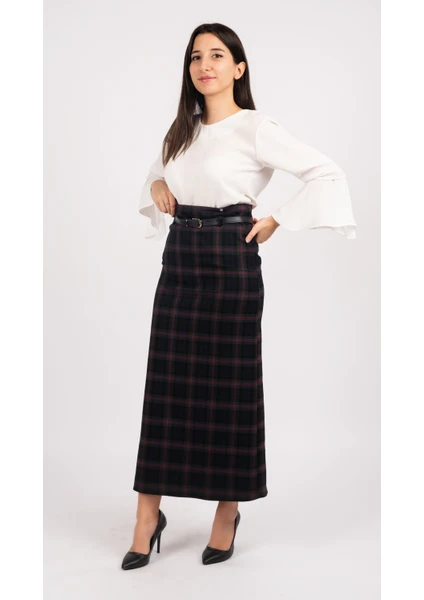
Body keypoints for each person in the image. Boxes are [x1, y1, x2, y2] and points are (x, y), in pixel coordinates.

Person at [122, 22, 357, 570]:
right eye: (195, 57)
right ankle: (147, 517)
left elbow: (326, 174)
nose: (205, 66)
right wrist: (156, 185)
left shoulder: (256, 127)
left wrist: (277, 218)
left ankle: (227, 512)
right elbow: (159, 175)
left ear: (238, 67)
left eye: (217, 56)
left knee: (231, 385)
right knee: (166, 386)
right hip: (181, 257)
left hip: (231, 257)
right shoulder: (181, 129)